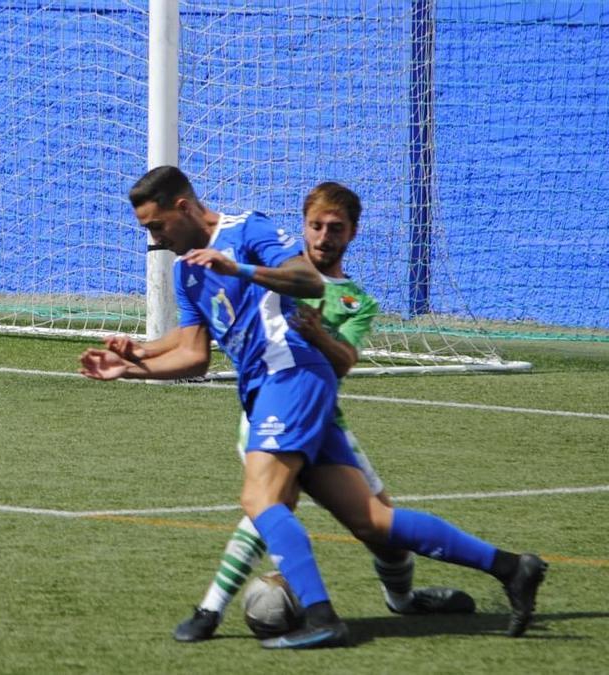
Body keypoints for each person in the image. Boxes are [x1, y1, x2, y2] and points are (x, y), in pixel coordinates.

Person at [79, 166, 546, 649]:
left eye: (157, 226)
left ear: (184, 207)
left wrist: (235, 267)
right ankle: (511, 567)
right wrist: (132, 361)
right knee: (371, 520)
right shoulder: (186, 271)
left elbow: (309, 281)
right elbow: (192, 354)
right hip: (272, 387)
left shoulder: (247, 229)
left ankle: (322, 617)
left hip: (291, 375)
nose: (154, 238)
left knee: (261, 501)